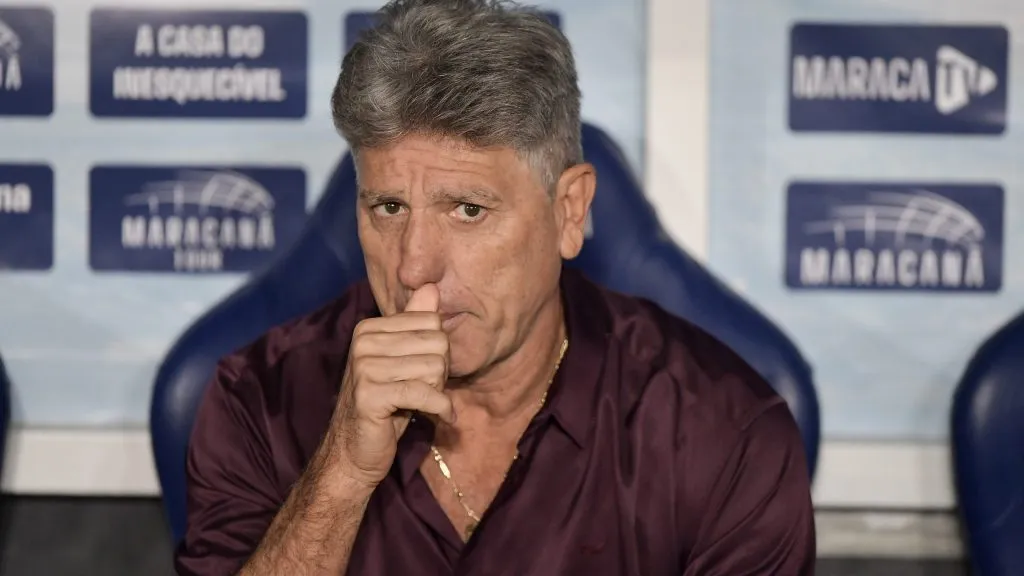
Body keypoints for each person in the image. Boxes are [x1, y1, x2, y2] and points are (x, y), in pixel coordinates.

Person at [175, 0, 816, 574]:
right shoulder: (259, 401)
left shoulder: (723, 433)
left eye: (468, 210)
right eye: (389, 208)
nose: (414, 268)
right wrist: (340, 475)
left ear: (569, 211)